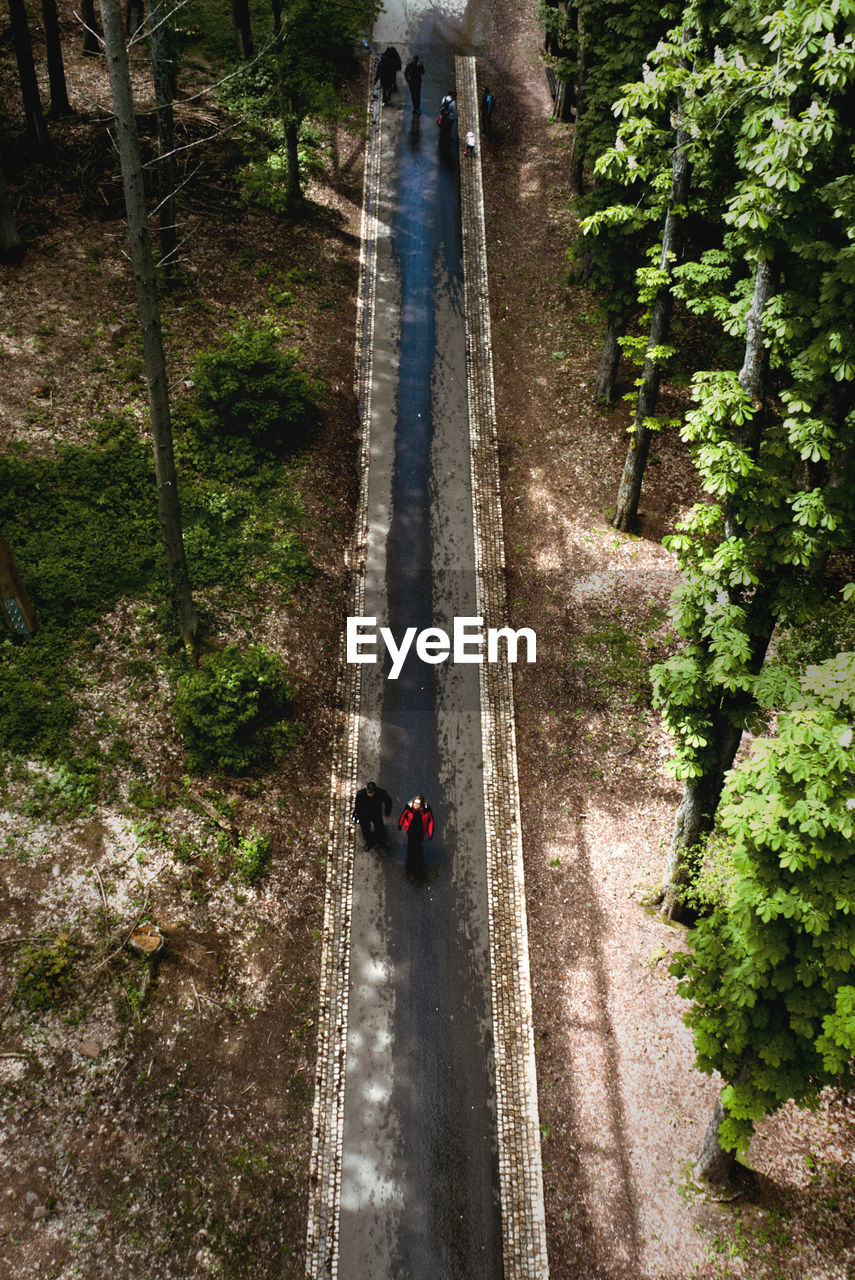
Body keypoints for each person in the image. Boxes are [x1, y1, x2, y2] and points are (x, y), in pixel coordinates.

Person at [398, 794, 434, 875]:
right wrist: (400, 825)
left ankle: (417, 858)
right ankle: (410, 859)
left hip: (421, 831)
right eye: (415, 803)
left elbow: (430, 820)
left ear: (421, 804)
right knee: (410, 844)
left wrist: (430, 833)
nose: (415, 805)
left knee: (418, 845)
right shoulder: (409, 807)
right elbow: (403, 816)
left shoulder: (427, 809)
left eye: (418, 804)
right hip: (411, 830)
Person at [352, 780, 392, 851]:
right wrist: (358, 814)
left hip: (376, 814)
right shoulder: (360, 794)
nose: (370, 795)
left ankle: (381, 840)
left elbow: (388, 802)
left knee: (379, 827)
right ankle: (370, 842)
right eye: (368, 793)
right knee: (365, 829)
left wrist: (387, 812)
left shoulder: (381, 793)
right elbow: (357, 805)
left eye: (371, 793)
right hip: (364, 815)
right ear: (366, 789)